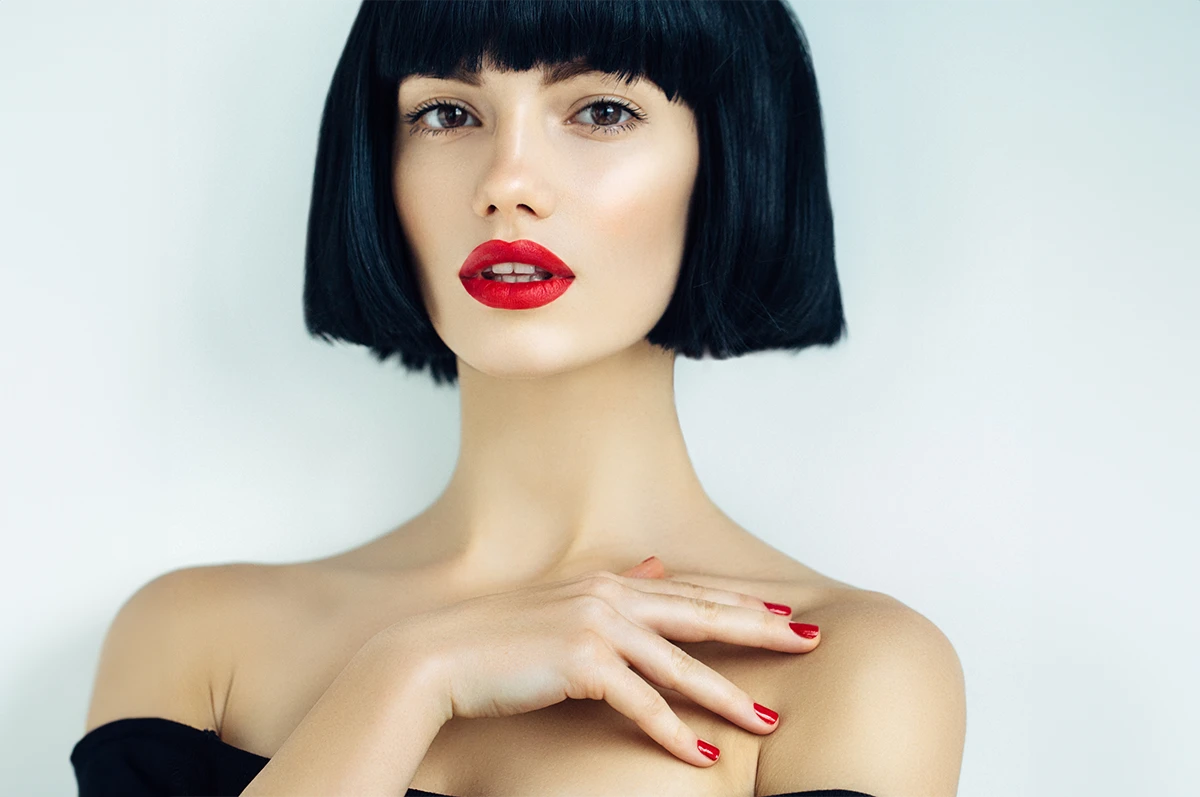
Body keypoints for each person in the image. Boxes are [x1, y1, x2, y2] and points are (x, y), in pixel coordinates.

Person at [70, 0, 967, 795]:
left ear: (730, 157)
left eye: (604, 110)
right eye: (448, 113)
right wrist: (414, 672)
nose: (506, 182)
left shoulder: (853, 667)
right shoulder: (193, 639)